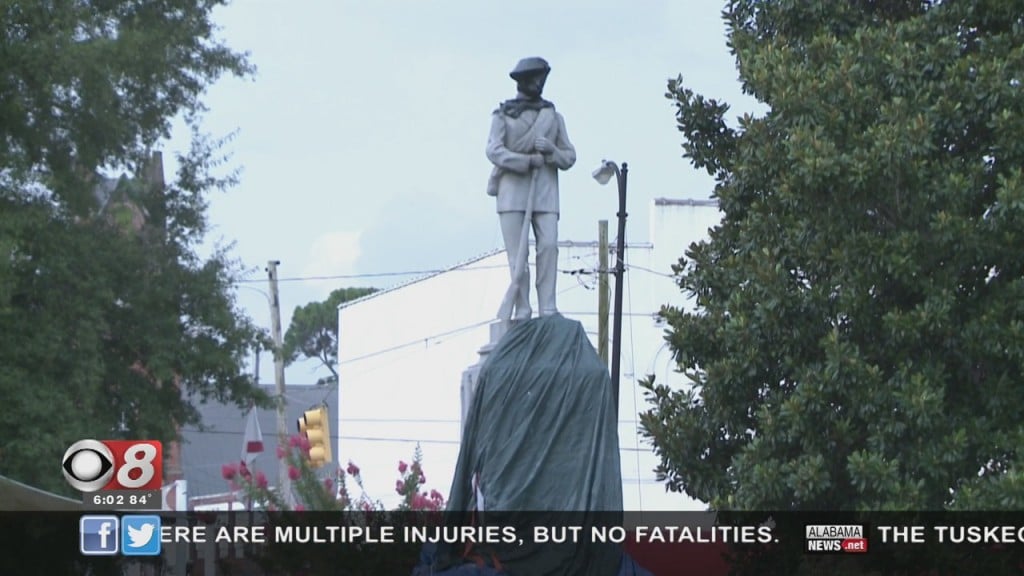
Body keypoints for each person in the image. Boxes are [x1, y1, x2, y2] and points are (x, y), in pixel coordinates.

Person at [486, 57, 576, 321]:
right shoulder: (502, 115)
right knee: (518, 256)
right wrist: (525, 161)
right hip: (512, 192)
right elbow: (493, 149)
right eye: (536, 79)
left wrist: (552, 152)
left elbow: (569, 157)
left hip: (545, 192)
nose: (540, 84)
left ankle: (548, 306)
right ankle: (522, 306)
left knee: (548, 246)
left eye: (542, 79)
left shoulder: (553, 116)